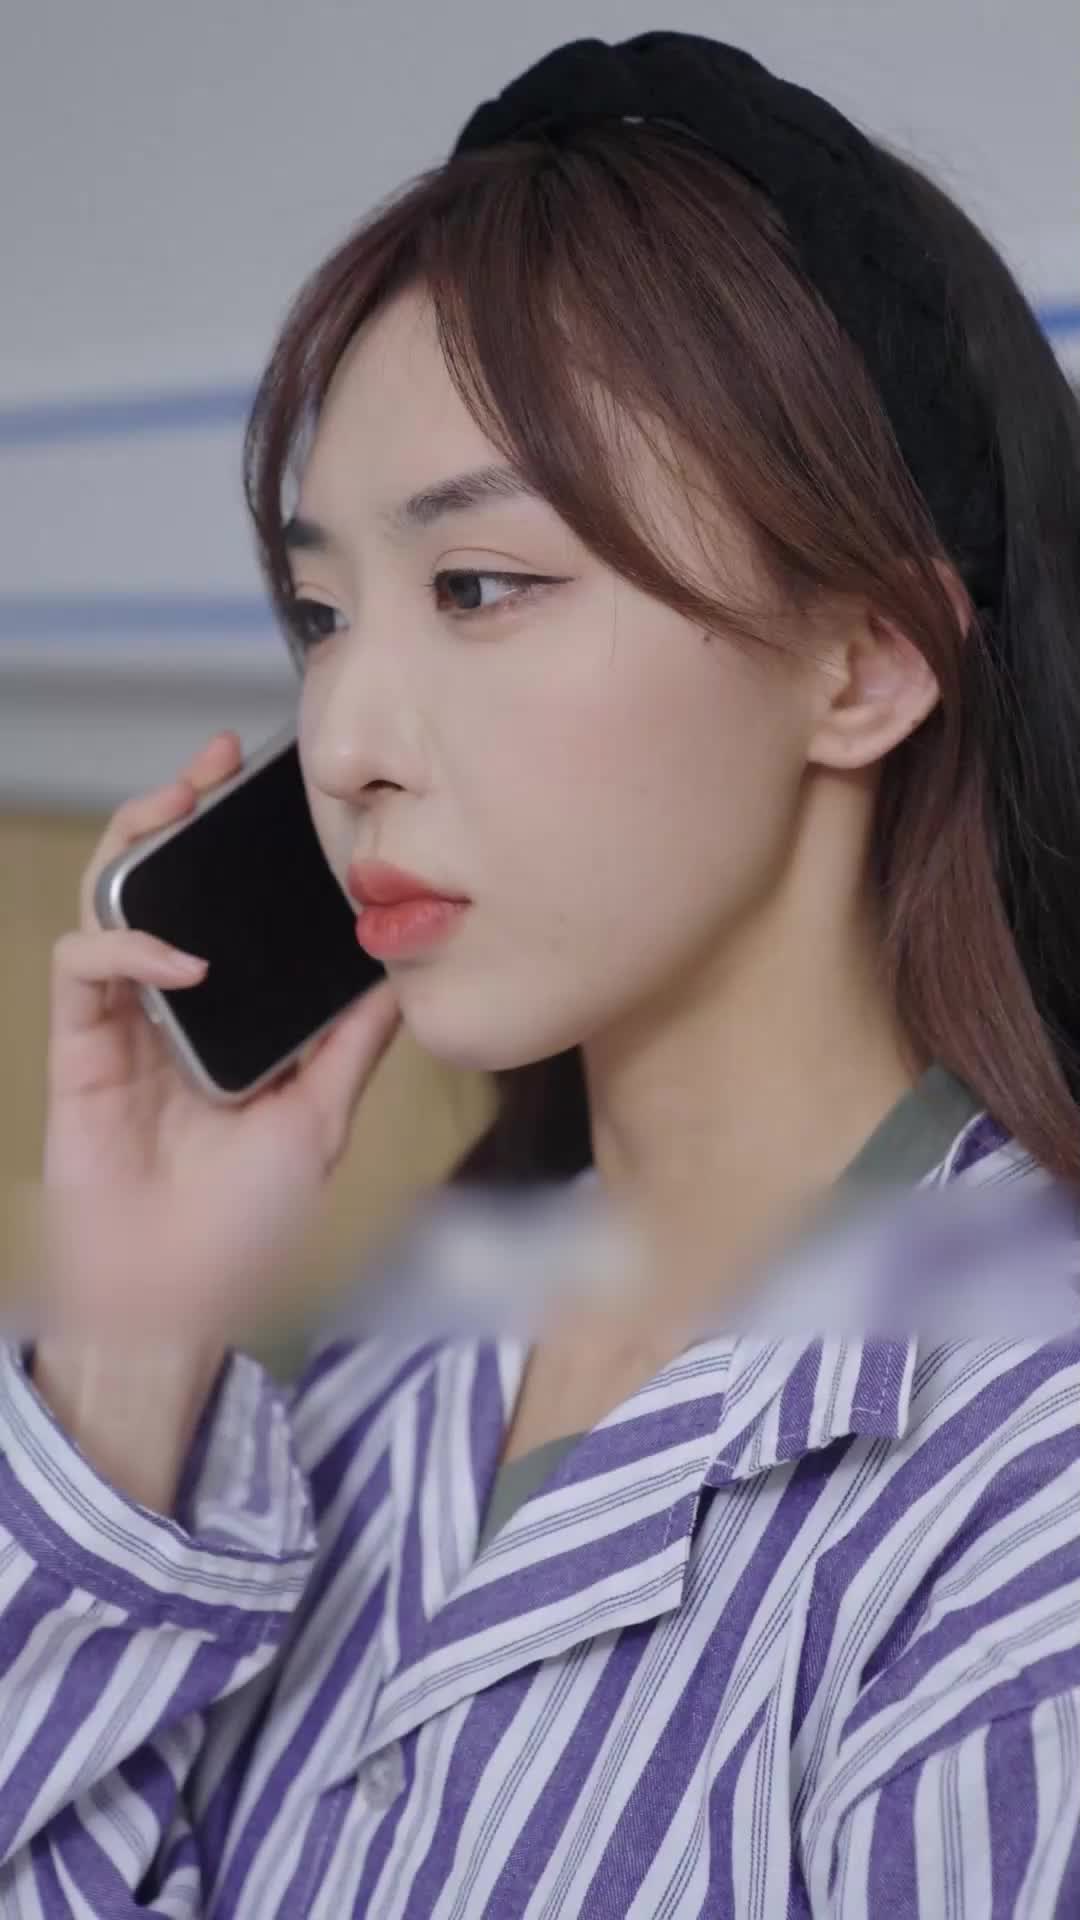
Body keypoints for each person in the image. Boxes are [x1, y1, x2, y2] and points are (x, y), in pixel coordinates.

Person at [3, 28, 1080, 1918]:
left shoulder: (1025, 1504)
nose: (345, 741)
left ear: (866, 664)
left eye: (479, 587)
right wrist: (130, 1346)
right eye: (321, 613)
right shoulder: (393, 1367)